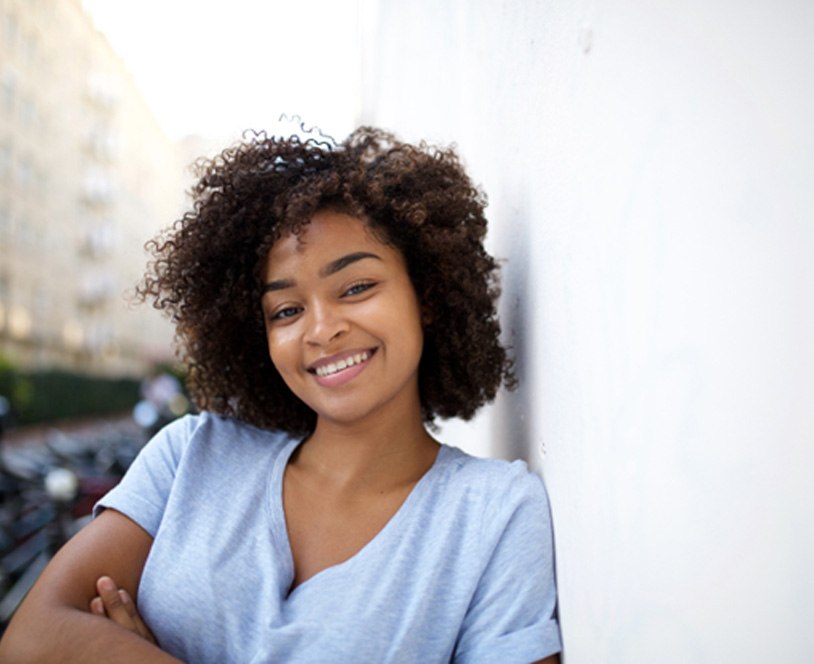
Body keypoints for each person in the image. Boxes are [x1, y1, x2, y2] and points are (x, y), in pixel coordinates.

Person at [0, 126, 561, 662]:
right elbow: (31, 639)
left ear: (428, 295)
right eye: (287, 310)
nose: (320, 329)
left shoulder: (494, 515)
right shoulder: (191, 456)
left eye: (357, 286)